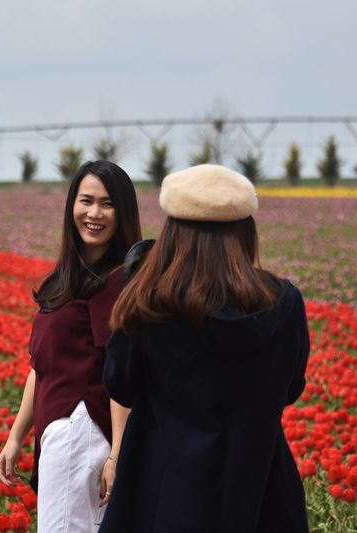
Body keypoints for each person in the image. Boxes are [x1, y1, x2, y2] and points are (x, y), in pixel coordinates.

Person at [100, 164, 310, 533]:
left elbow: (121, 385)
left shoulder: (151, 303)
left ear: (173, 234)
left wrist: (132, 291)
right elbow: (291, 389)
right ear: (246, 231)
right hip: (260, 485)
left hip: (166, 488)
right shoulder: (284, 302)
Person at [0, 160, 142, 532]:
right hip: (59, 431)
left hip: (85, 432)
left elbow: (121, 374)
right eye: (86, 200)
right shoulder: (66, 280)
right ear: (71, 206)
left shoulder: (118, 283)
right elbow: (41, 368)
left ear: (123, 212)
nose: (94, 213)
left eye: (107, 204)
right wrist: (16, 437)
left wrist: (117, 456)